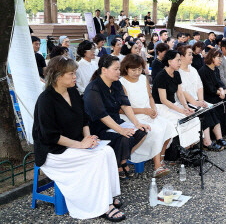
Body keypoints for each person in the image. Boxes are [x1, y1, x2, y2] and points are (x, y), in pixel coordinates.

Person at [32, 56, 124, 221]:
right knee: (97, 158)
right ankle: (103, 206)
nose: (75, 77)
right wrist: (81, 145)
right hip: (54, 152)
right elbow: (50, 136)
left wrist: (88, 138)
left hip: (74, 144)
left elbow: (84, 119)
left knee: (107, 151)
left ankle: (108, 196)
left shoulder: (73, 92)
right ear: (58, 76)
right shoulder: (46, 100)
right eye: (71, 74)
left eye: (75, 73)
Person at [84, 55, 149, 179]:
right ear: (104, 70)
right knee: (124, 137)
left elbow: (125, 104)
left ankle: (121, 161)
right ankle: (119, 164)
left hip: (116, 122)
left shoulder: (116, 83)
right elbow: (102, 115)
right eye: (116, 69)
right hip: (99, 128)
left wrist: (136, 123)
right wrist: (121, 130)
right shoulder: (94, 88)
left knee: (142, 131)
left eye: (119, 69)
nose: (119, 72)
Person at [119, 54, 174, 177]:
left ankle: (161, 157)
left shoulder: (144, 78)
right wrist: (144, 111)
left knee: (170, 126)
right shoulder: (122, 82)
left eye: (139, 69)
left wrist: (153, 109)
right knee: (157, 131)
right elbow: (122, 109)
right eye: (133, 70)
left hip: (147, 113)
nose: (137, 72)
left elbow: (150, 97)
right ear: (126, 68)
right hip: (133, 117)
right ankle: (157, 166)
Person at [177, 45, 226, 150]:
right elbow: (182, 92)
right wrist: (195, 103)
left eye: (191, 54)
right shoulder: (178, 72)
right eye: (189, 54)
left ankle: (219, 137)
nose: (192, 56)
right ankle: (207, 142)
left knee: (210, 107)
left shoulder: (193, 70)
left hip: (197, 100)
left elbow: (200, 86)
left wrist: (201, 100)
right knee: (204, 112)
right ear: (181, 57)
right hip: (185, 102)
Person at [151, 50, 202, 149]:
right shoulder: (161, 76)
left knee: (193, 118)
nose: (180, 63)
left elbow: (180, 93)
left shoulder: (177, 74)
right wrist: (181, 110)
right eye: (178, 60)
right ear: (169, 61)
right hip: (162, 107)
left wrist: (186, 107)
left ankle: (191, 146)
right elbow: (163, 100)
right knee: (181, 120)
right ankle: (183, 149)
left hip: (173, 104)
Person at [198, 49, 226, 136]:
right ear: (212, 58)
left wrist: (222, 90)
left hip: (216, 93)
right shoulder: (203, 71)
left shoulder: (215, 69)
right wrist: (221, 93)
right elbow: (209, 88)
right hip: (207, 96)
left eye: (221, 58)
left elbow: (219, 83)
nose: (220, 60)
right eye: (218, 58)